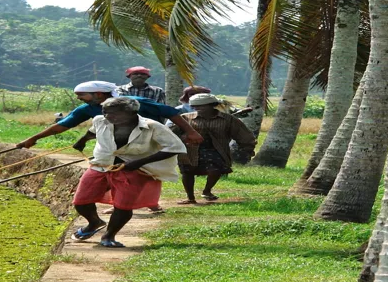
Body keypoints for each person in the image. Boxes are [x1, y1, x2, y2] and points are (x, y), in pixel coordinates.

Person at [70, 97, 186, 247]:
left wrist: (138, 162)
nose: (108, 117)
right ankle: (94, 222)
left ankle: (109, 236)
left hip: (134, 170)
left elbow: (175, 147)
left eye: (114, 114)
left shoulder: (152, 127)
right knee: (81, 201)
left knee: (123, 205)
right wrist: (82, 140)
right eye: (105, 112)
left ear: (131, 113)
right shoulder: (100, 120)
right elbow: (92, 131)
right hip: (101, 165)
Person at [15, 81, 202, 149]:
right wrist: (33, 138)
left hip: (145, 140)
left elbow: (170, 112)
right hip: (115, 144)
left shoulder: (133, 101)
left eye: (82, 95)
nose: (80, 99)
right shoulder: (88, 109)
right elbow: (63, 125)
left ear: (99, 94)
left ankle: (148, 203)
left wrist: (191, 132)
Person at [172, 93, 257, 204]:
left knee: (215, 170)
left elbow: (243, 134)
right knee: (187, 172)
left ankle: (207, 190)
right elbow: (172, 133)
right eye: (196, 107)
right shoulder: (185, 118)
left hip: (217, 149)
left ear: (212, 105)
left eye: (202, 106)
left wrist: (248, 147)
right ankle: (190, 198)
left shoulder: (228, 119)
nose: (198, 109)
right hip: (190, 149)